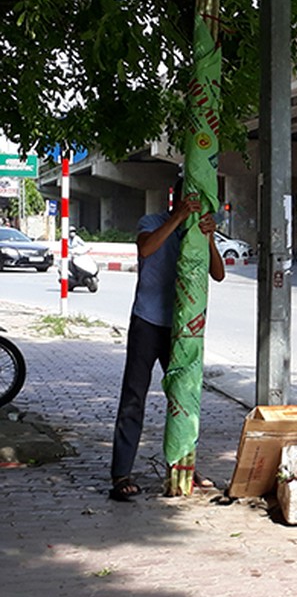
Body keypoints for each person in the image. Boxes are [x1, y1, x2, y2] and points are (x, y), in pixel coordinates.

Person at [109, 180, 225, 501]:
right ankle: (121, 473)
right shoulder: (153, 222)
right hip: (147, 322)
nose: (195, 205)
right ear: (175, 197)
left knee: (184, 399)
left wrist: (210, 238)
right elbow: (146, 249)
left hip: (182, 329)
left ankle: (184, 466)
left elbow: (218, 274)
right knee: (134, 396)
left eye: (200, 202)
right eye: (189, 199)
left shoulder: (201, 230)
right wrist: (177, 217)